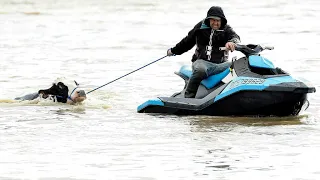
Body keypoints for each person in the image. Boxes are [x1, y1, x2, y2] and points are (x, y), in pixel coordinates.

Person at [167, 6, 240, 98]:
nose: (215, 23)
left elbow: (235, 37)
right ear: (208, 19)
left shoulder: (226, 29)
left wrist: (232, 42)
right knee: (200, 69)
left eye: (218, 20)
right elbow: (187, 42)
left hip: (221, 65)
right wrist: (173, 51)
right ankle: (188, 97)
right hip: (202, 63)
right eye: (213, 20)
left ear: (222, 21)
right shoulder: (200, 27)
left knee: (238, 65)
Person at [14, 80, 87, 104]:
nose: (79, 91)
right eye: (62, 88)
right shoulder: (47, 97)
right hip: (26, 99)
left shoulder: (77, 93)